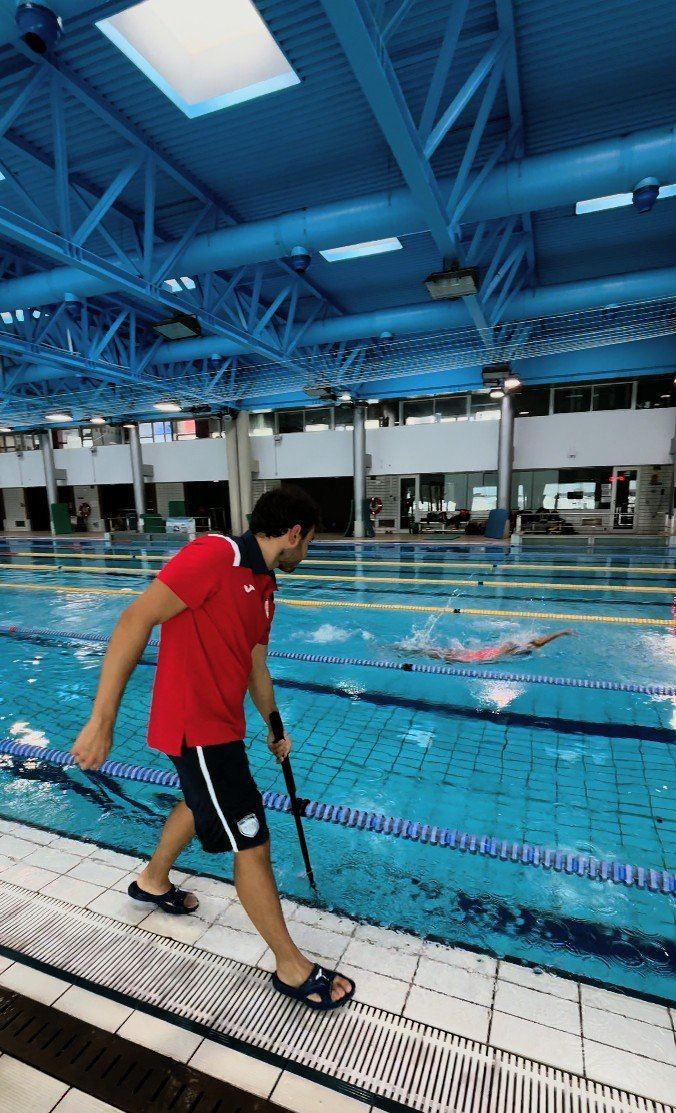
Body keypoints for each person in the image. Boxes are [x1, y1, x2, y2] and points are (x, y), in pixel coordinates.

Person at [72, 486, 354, 1012]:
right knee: (253, 842)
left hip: (222, 727)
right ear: (293, 534)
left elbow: (253, 662)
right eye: (310, 543)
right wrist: (101, 720)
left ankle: (153, 882)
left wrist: (273, 724)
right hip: (197, 728)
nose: (308, 553)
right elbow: (135, 619)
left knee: (197, 803)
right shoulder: (215, 555)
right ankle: (292, 967)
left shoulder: (265, 583)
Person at [401, 629, 573, 664]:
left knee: (432, 652)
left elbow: (539, 642)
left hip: (474, 656)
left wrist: (560, 634)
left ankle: (405, 650)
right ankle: (406, 650)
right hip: (473, 656)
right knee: (432, 653)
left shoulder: (517, 648)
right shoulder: (516, 648)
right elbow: (539, 642)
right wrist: (560, 634)